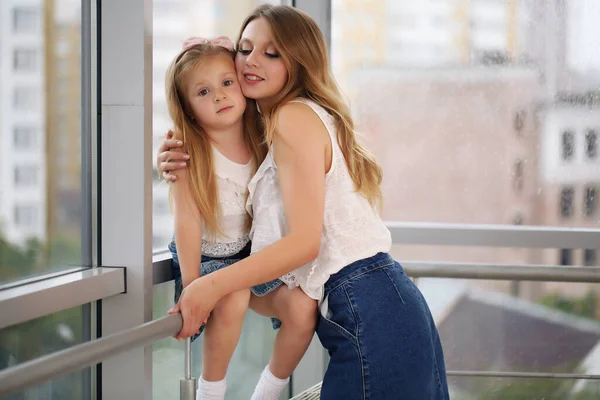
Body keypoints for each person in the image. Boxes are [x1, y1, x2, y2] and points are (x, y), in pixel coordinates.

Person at [161, 4, 449, 399]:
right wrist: (177, 155)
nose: (251, 62)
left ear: (297, 62)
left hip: (369, 307)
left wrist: (208, 287)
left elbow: (303, 244)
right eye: (244, 49)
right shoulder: (284, 121)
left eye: (271, 53)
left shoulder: (292, 118)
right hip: (384, 303)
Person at [162, 36, 317, 400]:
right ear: (187, 107)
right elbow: (185, 223)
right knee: (231, 294)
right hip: (206, 262)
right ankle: (211, 391)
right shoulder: (188, 153)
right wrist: (191, 287)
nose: (218, 96)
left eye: (226, 83)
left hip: (253, 257)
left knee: (302, 305)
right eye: (203, 92)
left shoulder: (265, 136)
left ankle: (268, 391)